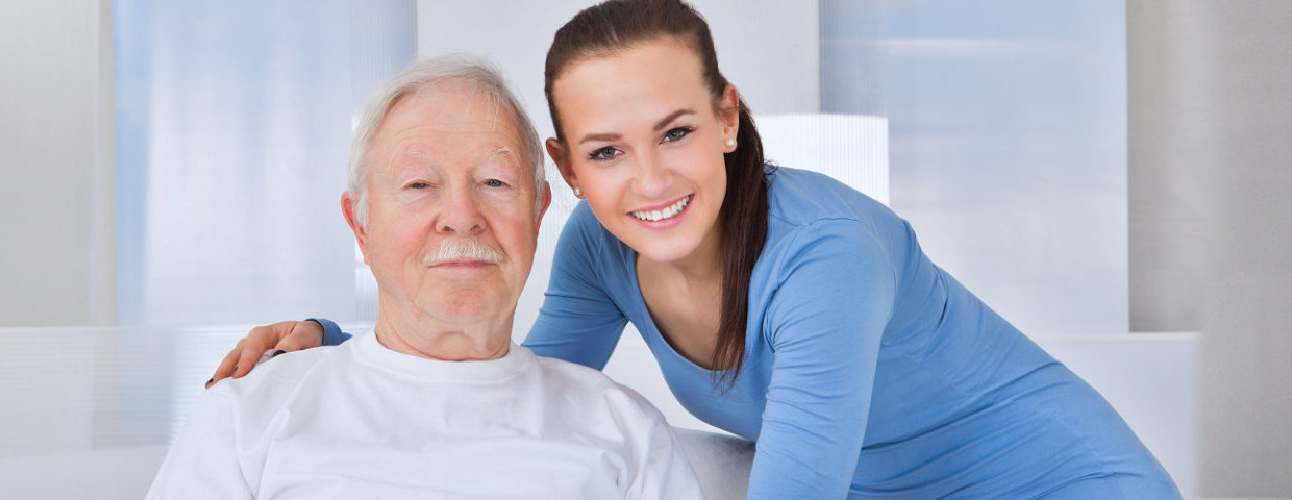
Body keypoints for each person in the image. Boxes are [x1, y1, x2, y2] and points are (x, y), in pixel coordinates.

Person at [212, 0, 1182, 497]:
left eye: (674, 131)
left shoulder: (825, 254)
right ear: (568, 167)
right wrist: (350, 340)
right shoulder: (599, 244)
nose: (649, 180)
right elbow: (524, 383)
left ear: (727, 116)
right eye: (606, 151)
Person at [148, 54, 703, 499]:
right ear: (360, 227)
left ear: (537, 217)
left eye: (493, 181)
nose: (462, 215)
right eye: (418, 185)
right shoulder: (248, 414)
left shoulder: (625, 432)